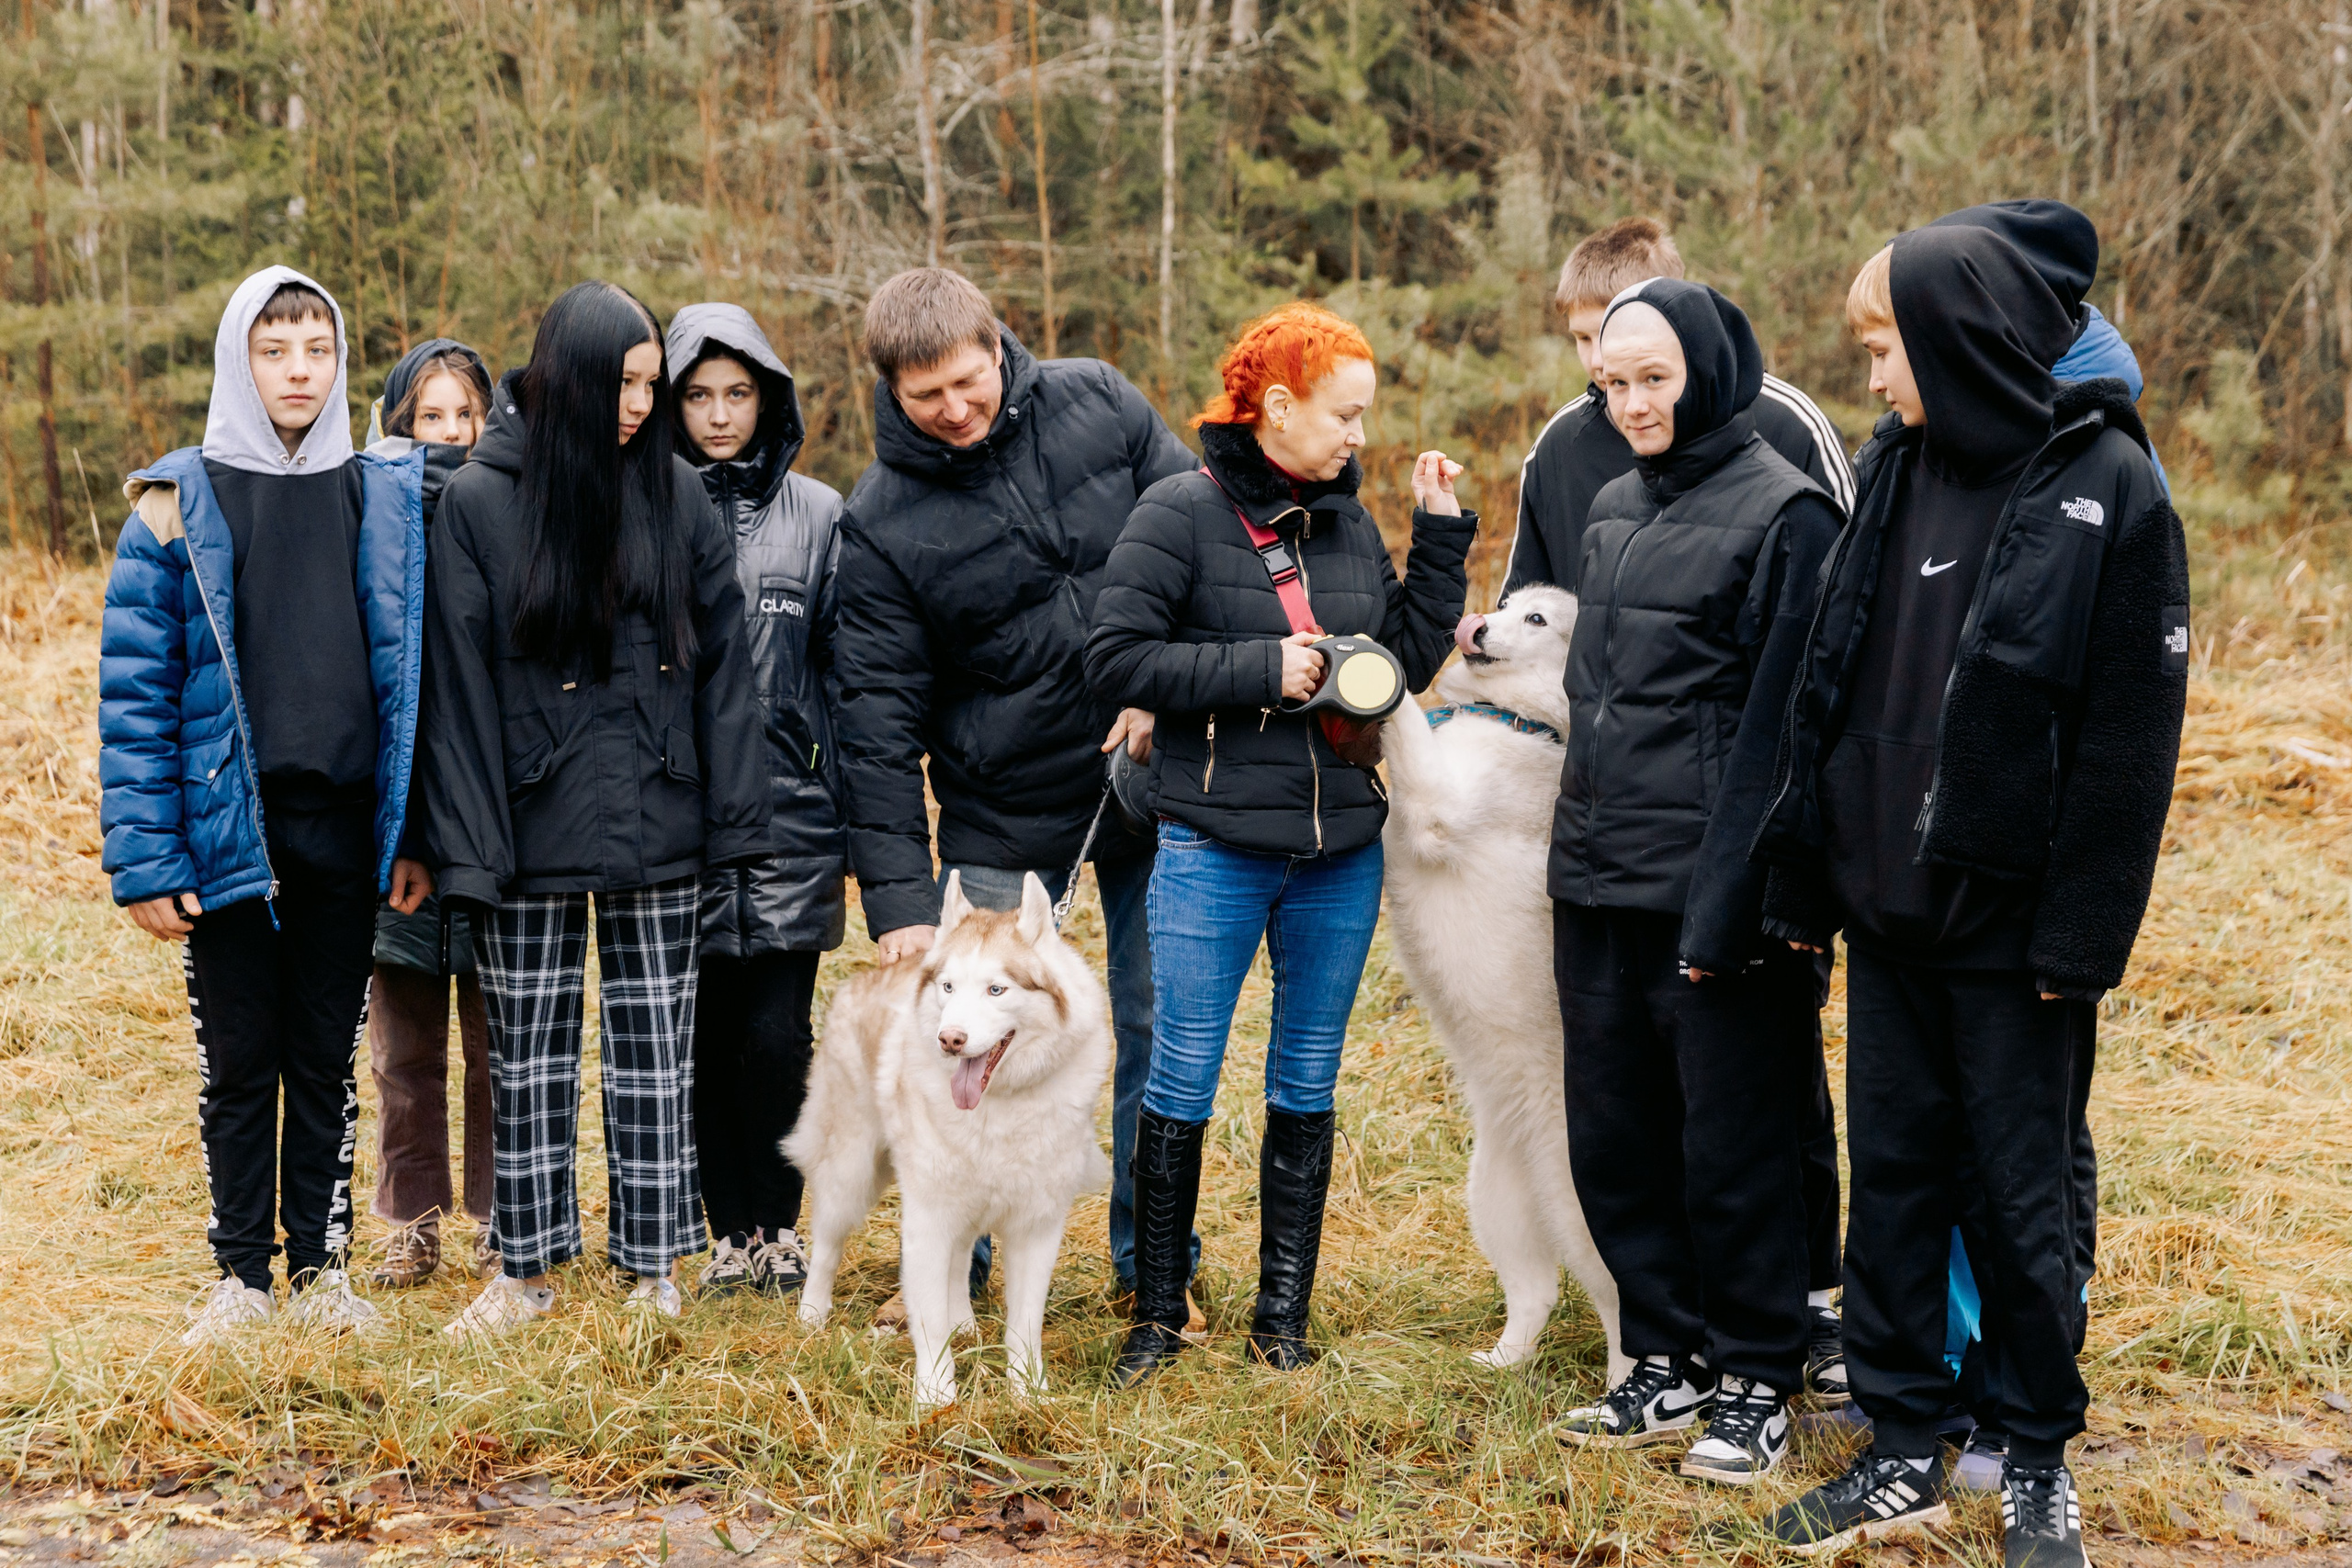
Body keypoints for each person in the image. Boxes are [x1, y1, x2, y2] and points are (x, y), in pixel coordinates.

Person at [1752, 229, 2185, 1568]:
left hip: (2016, 939)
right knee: (1888, 1188)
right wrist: (1803, 872)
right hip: (1887, 914)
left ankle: (2037, 1454)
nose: (1871, 372)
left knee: (2017, 1196)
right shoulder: (1896, 470)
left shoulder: (2112, 483)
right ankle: (1899, 1446)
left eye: (1885, 345)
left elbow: (2132, 738)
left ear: (1958, 335)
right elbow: (1835, 677)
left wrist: (2084, 933)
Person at [1086, 301, 1476, 1383]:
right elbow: (1112, 659)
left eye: (1366, 416)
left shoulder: (1348, 524)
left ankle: (1282, 1322)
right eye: (1345, 415)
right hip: (1211, 843)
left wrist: (1437, 536)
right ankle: (1157, 1317)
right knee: (1183, 1076)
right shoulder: (1177, 512)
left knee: (1305, 1077)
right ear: (1278, 407)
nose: (1360, 435)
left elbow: (1398, 667)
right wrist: (1261, 671)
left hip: (1340, 848)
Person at [1509, 218, 1857, 1406]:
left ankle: (1760, 1370)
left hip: (1712, 887)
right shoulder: (1606, 507)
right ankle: (1663, 1354)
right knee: (1616, 1133)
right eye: (1610, 383)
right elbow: (1592, 697)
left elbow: (1789, 727)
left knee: (1734, 1143)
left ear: (1707, 371)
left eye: (1651, 379)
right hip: (1597, 877)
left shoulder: (1789, 512)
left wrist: (1752, 896)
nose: (1629, 403)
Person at [831, 267, 1200, 1308]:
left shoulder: (1100, 401)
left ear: (998, 346)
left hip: (1154, 780)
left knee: (1156, 1023)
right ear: (889, 393)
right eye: (925, 398)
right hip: (1001, 816)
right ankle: (951, 1271)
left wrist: (1164, 686)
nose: (954, 411)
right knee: (971, 1047)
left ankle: (1152, 1267)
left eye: (966, 382)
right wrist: (902, 902)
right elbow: (874, 720)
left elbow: (1197, 542)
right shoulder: (880, 522)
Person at [419, 281, 768, 1337]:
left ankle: (652, 1268)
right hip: (525, 825)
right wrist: (470, 848)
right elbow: (457, 687)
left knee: (655, 1049)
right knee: (524, 1054)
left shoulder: (671, 492)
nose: (640, 404)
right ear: (571, 374)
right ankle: (523, 1274)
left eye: (650, 385)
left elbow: (724, 669)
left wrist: (736, 821)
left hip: (660, 814)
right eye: (624, 382)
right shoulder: (480, 503)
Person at [100, 265, 434, 1343]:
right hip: (226, 838)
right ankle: (242, 1276)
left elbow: (414, 675)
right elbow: (136, 694)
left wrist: (411, 832)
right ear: (238, 359)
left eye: (318, 350)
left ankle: (322, 1268)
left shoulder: (382, 494)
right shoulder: (174, 503)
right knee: (240, 1062)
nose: (298, 370)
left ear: (341, 364)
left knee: (325, 1059)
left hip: (344, 834)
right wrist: (148, 861)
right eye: (275, 349)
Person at [1921, 197, 2167, 1489]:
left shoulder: (2100, 448)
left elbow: (2124, 711)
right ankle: (1965, 1370)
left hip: (2041, 885)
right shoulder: (1959, 430)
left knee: (2038, 1139)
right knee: (1962, 1136)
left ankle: (2034, 1374)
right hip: (1948, 885)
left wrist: (2081, 917)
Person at [663, 302, 846, 1297]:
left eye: (737, 394)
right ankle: (725, 1233)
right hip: (677, 819)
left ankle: (781, 1227)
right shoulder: (643, 505)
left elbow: (848, 676)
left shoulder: (820, 515)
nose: (719, 415)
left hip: (791, 818)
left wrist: (855, 820)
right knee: (700, 1037)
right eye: (698, 395)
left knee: (776, 1039)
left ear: (767, 398)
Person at [360, 338, 502, 1290]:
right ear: (398, 425)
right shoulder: (370, 520)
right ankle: (409, 1221)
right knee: (404, 1047)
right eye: (429, 417)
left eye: (464, 415)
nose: (449, 434)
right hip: (399, 825)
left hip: (493, 819)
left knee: (502, 1045)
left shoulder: (509, 512)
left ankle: (504, 1215)